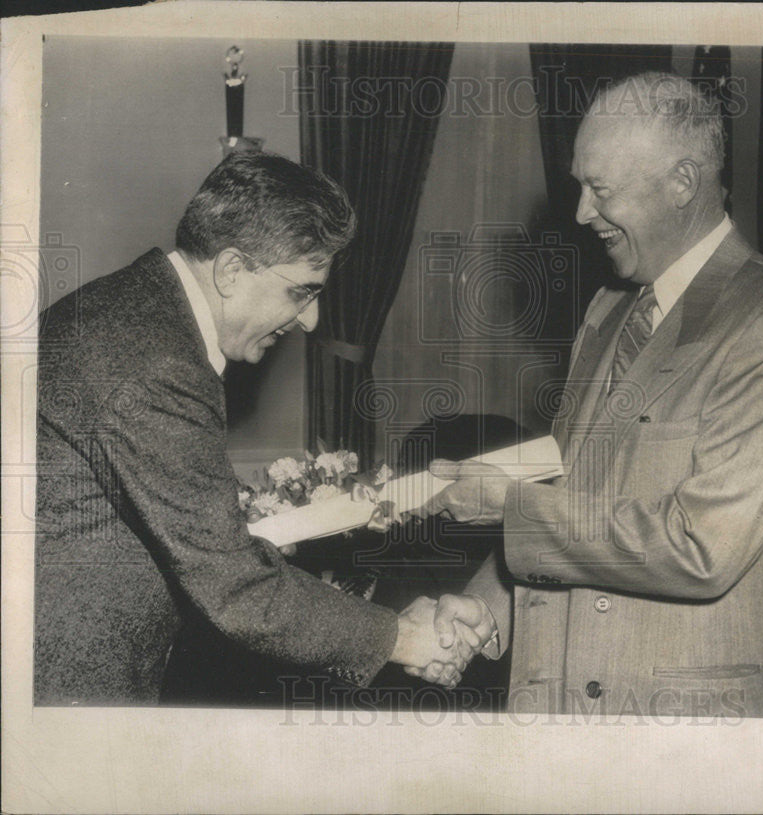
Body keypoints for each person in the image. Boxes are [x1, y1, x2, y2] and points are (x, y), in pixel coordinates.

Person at [411, 72, 763, 718]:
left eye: (599, 190)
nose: (580, 212)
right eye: (580, 185)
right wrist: (487, 608)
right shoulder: (608, 311)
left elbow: (701, 546)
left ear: (683, 185)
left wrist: (508, 507)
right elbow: (566, 493)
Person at [34, 151, 459, 705]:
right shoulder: (156, 363)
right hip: (65, 681)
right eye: (301, 290)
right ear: (233, 270)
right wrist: (403, 637)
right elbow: (234, 587)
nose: (310, 319)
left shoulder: (135, 312)